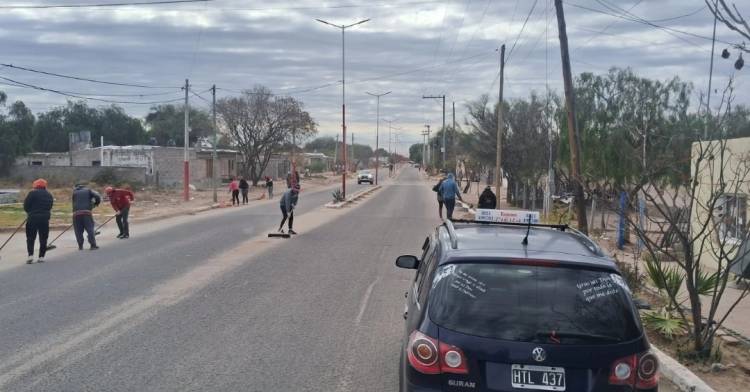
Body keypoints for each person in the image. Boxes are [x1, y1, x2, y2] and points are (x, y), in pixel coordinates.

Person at [23, 178, 53, 264]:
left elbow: (26, 206)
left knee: (30, 237)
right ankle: (41, 257)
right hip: (44, 219)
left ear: (35, 185)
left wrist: (30, 212)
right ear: (44, 186)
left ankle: (30, 255)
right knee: (43, 238)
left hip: (32, 218)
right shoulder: (49, 195)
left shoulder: (32, 193)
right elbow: (49, 207)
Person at [72, 183, 101, 250]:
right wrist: (96, 204)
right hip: (86, 213)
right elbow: (97, 196)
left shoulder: (74, 192)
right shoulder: (88, 190)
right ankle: (93, 245)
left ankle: (80, 246)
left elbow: (74, 203)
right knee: (90, 229)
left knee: (78, 230)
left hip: (76, 214)